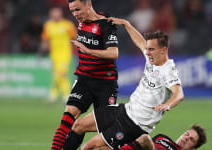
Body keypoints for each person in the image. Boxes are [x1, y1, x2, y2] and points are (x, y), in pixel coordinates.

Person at [63, 17, 184, 150]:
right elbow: (140, 42)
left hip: (135, 125)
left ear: (163, 50)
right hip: (125, 110)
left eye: (151, 49)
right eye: (147, 49)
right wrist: (127, 24)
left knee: (88, 147)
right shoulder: (152, 58)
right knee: (79, 125)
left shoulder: (168, 70)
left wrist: (168, 104)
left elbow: (179, 93)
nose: (147, 52)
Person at [50, 0, 119, 150]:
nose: (75, 14)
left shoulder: (105, 23)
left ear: (88, 4)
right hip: (84, 80)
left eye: (77, 10)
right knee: (67, 119)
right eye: (72, 11)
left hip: (105, 84)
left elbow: (113, 53)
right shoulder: (81, 21)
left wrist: (88, 51)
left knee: (106, 133)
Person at [41, 7, 77, 102]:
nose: (55, 15)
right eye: (53, 14)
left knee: (61, 74)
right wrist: (42, 50)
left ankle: (66, 95)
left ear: (60, 14)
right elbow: (45, 39)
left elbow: (75, 37)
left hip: (65, 54)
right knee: (57, 75)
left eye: (57, 13)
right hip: (54, 55)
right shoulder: (48, 25)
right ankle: (53, 95)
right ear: (51, 15)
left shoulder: (67, 25)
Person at [117, 124, 207, 150]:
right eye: (186, 134)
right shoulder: (162, 137)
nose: (187, 138)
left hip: (145, 140)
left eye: (191, 139)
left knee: (145, 138)